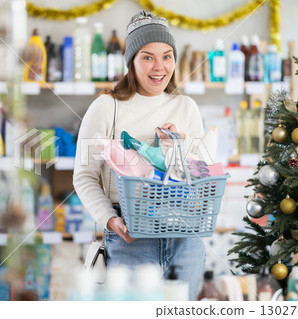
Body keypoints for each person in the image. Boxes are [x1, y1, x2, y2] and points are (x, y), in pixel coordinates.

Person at [73, 10, 207, 300]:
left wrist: (178, 152)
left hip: (186, 239)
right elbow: (84, 176)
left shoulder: (187, 108)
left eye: (167, 56)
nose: (159, 67)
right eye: (147, 57)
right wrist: (110, 219)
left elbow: (202, 175)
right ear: (131, 61)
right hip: (130, 237)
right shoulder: (106, 107)